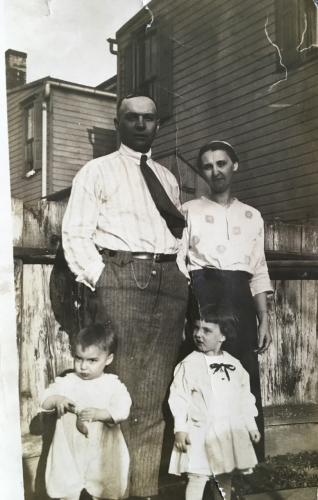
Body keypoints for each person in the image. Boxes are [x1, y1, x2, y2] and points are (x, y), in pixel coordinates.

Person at [62, 94, 189, 499]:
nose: (140, 124)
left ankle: (143, 490)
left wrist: (180, 273)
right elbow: (76, 232)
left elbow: (179, 234)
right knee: (120, 389)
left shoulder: (167, 178)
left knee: (154, 393)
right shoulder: (96, 171)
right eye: (130, 118)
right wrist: (101, 276)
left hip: (168, 283)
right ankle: (107, 488)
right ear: (118, 124)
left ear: (157, 125)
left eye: (148, 118)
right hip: (120, 278)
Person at [178, 140, 272, 460]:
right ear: (202, 172)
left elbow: (258, 269)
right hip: (203, 295)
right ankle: (203, 461)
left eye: (221, 163)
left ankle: (244, 461)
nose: (215, 170)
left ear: (235, 165)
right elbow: (180, 265)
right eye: (207, 165)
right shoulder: (189, 210)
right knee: (207, 375)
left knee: (240, 375)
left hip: (240, 299)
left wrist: (264, 319)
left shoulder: (252, 216)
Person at [168, 310, 261, 500]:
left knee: (224, 476)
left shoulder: (234, 365)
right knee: (197, 476)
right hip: (199, 431)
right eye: (196, 328)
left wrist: (250, 425)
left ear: (223, 336)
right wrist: (180, 428)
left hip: (227, 430)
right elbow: (179, 397)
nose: (198, 334)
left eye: (206, 330)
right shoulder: (189, 364)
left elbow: (244, 398)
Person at [40, 324, 132, 500]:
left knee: (105, 484)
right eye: (78, 359)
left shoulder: (112, 385)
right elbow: (45, 399)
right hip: (69, 445)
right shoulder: (67, 382)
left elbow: (123, 407)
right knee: (66, 485)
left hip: (101, 447)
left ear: (108, 359)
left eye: (92, 361)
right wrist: (57, 400)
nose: (83, 367)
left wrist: (102, 414)